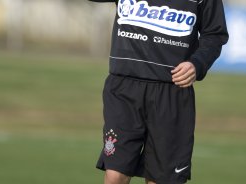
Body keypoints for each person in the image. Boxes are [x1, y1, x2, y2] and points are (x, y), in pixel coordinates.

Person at [89, 0, 229, 183]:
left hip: (172, 91)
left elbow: (215, 34)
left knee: (161, 179)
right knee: (115, 174)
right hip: (124, 87)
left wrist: (197, 64)